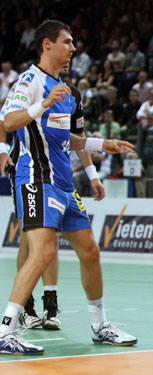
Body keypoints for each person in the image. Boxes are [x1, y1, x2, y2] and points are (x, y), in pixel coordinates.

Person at [0, 19, 137, 356]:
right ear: (47, 44)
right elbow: (9, 121)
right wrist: (43, 103)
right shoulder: (29, 81)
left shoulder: (67, 91)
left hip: (64, 184)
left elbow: (68, 138)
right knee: (43, 251)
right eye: (67, 42)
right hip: (36, 179)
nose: (73, 48)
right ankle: (6, 328)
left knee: (90, 251)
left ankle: (100, 326)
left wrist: (103, 145)